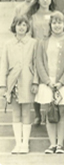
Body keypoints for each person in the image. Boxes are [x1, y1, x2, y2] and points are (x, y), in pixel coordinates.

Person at [35, 12, 64, 154]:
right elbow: (39, 62)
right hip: (47, 83)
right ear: (50, 25)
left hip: (62, 84)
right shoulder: (43, 42)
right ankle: (52, 143)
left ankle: (60, 144)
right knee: (48, 112)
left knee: (62, 113)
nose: (57, 26)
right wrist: (47, 81)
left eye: (60, 23)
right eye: (54, 23)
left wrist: (61, 82)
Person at [0, 16, 37, 154]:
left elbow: (36, 64)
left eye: (24, 25)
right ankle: (18, 143)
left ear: (27, 27)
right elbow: (3, 64)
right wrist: (3, 85)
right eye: (18, 25)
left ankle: (25, 143)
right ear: (13, 26)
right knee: (16, 113)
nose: (21, 27)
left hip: (27, 80)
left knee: (26, 112)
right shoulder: (8, 44)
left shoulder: (33, 43)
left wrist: (35, 81)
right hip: (13, 81)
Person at [27, 0, 56, 126]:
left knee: (50, 80)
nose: (45, 1)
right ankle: (38, 114)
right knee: (36, 81)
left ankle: (49, 112)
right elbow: (29, 34)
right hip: (36, 50)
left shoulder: (55, 15)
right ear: (38, 0)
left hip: (51, 50)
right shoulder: (32, 16)